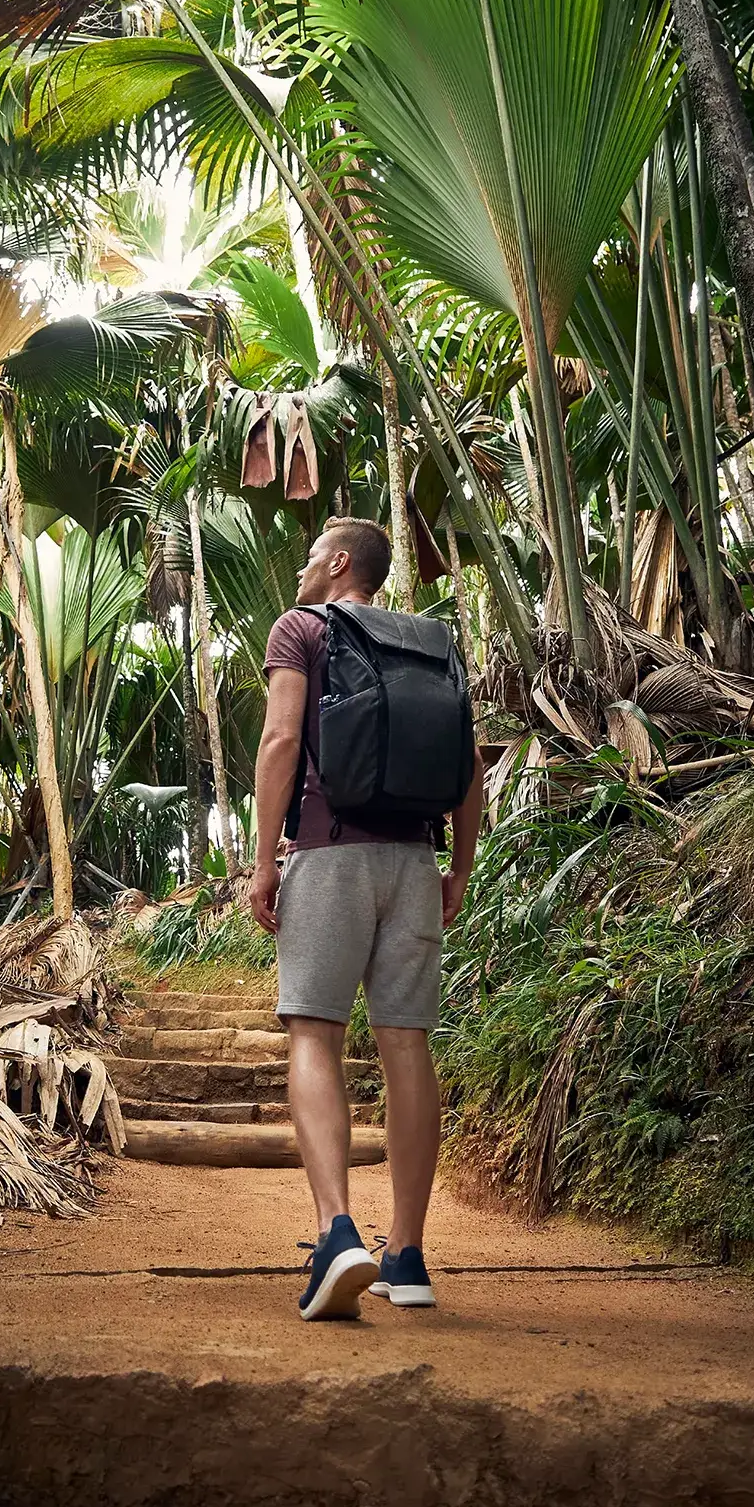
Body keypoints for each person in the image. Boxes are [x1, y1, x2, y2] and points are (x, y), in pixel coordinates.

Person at [248, 517, 482, 1320]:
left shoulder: (302, 629)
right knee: (407, 1044)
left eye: (313, 553)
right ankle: (407, 1256)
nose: (306, 566)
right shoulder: (433, 641)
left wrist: (264, 860)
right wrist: (459, 866)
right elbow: (469, 766)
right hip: (414, 863)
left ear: (340, 562)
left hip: (331, 850)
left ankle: (334, 1232)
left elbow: (282, 741)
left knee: (315, 1033)